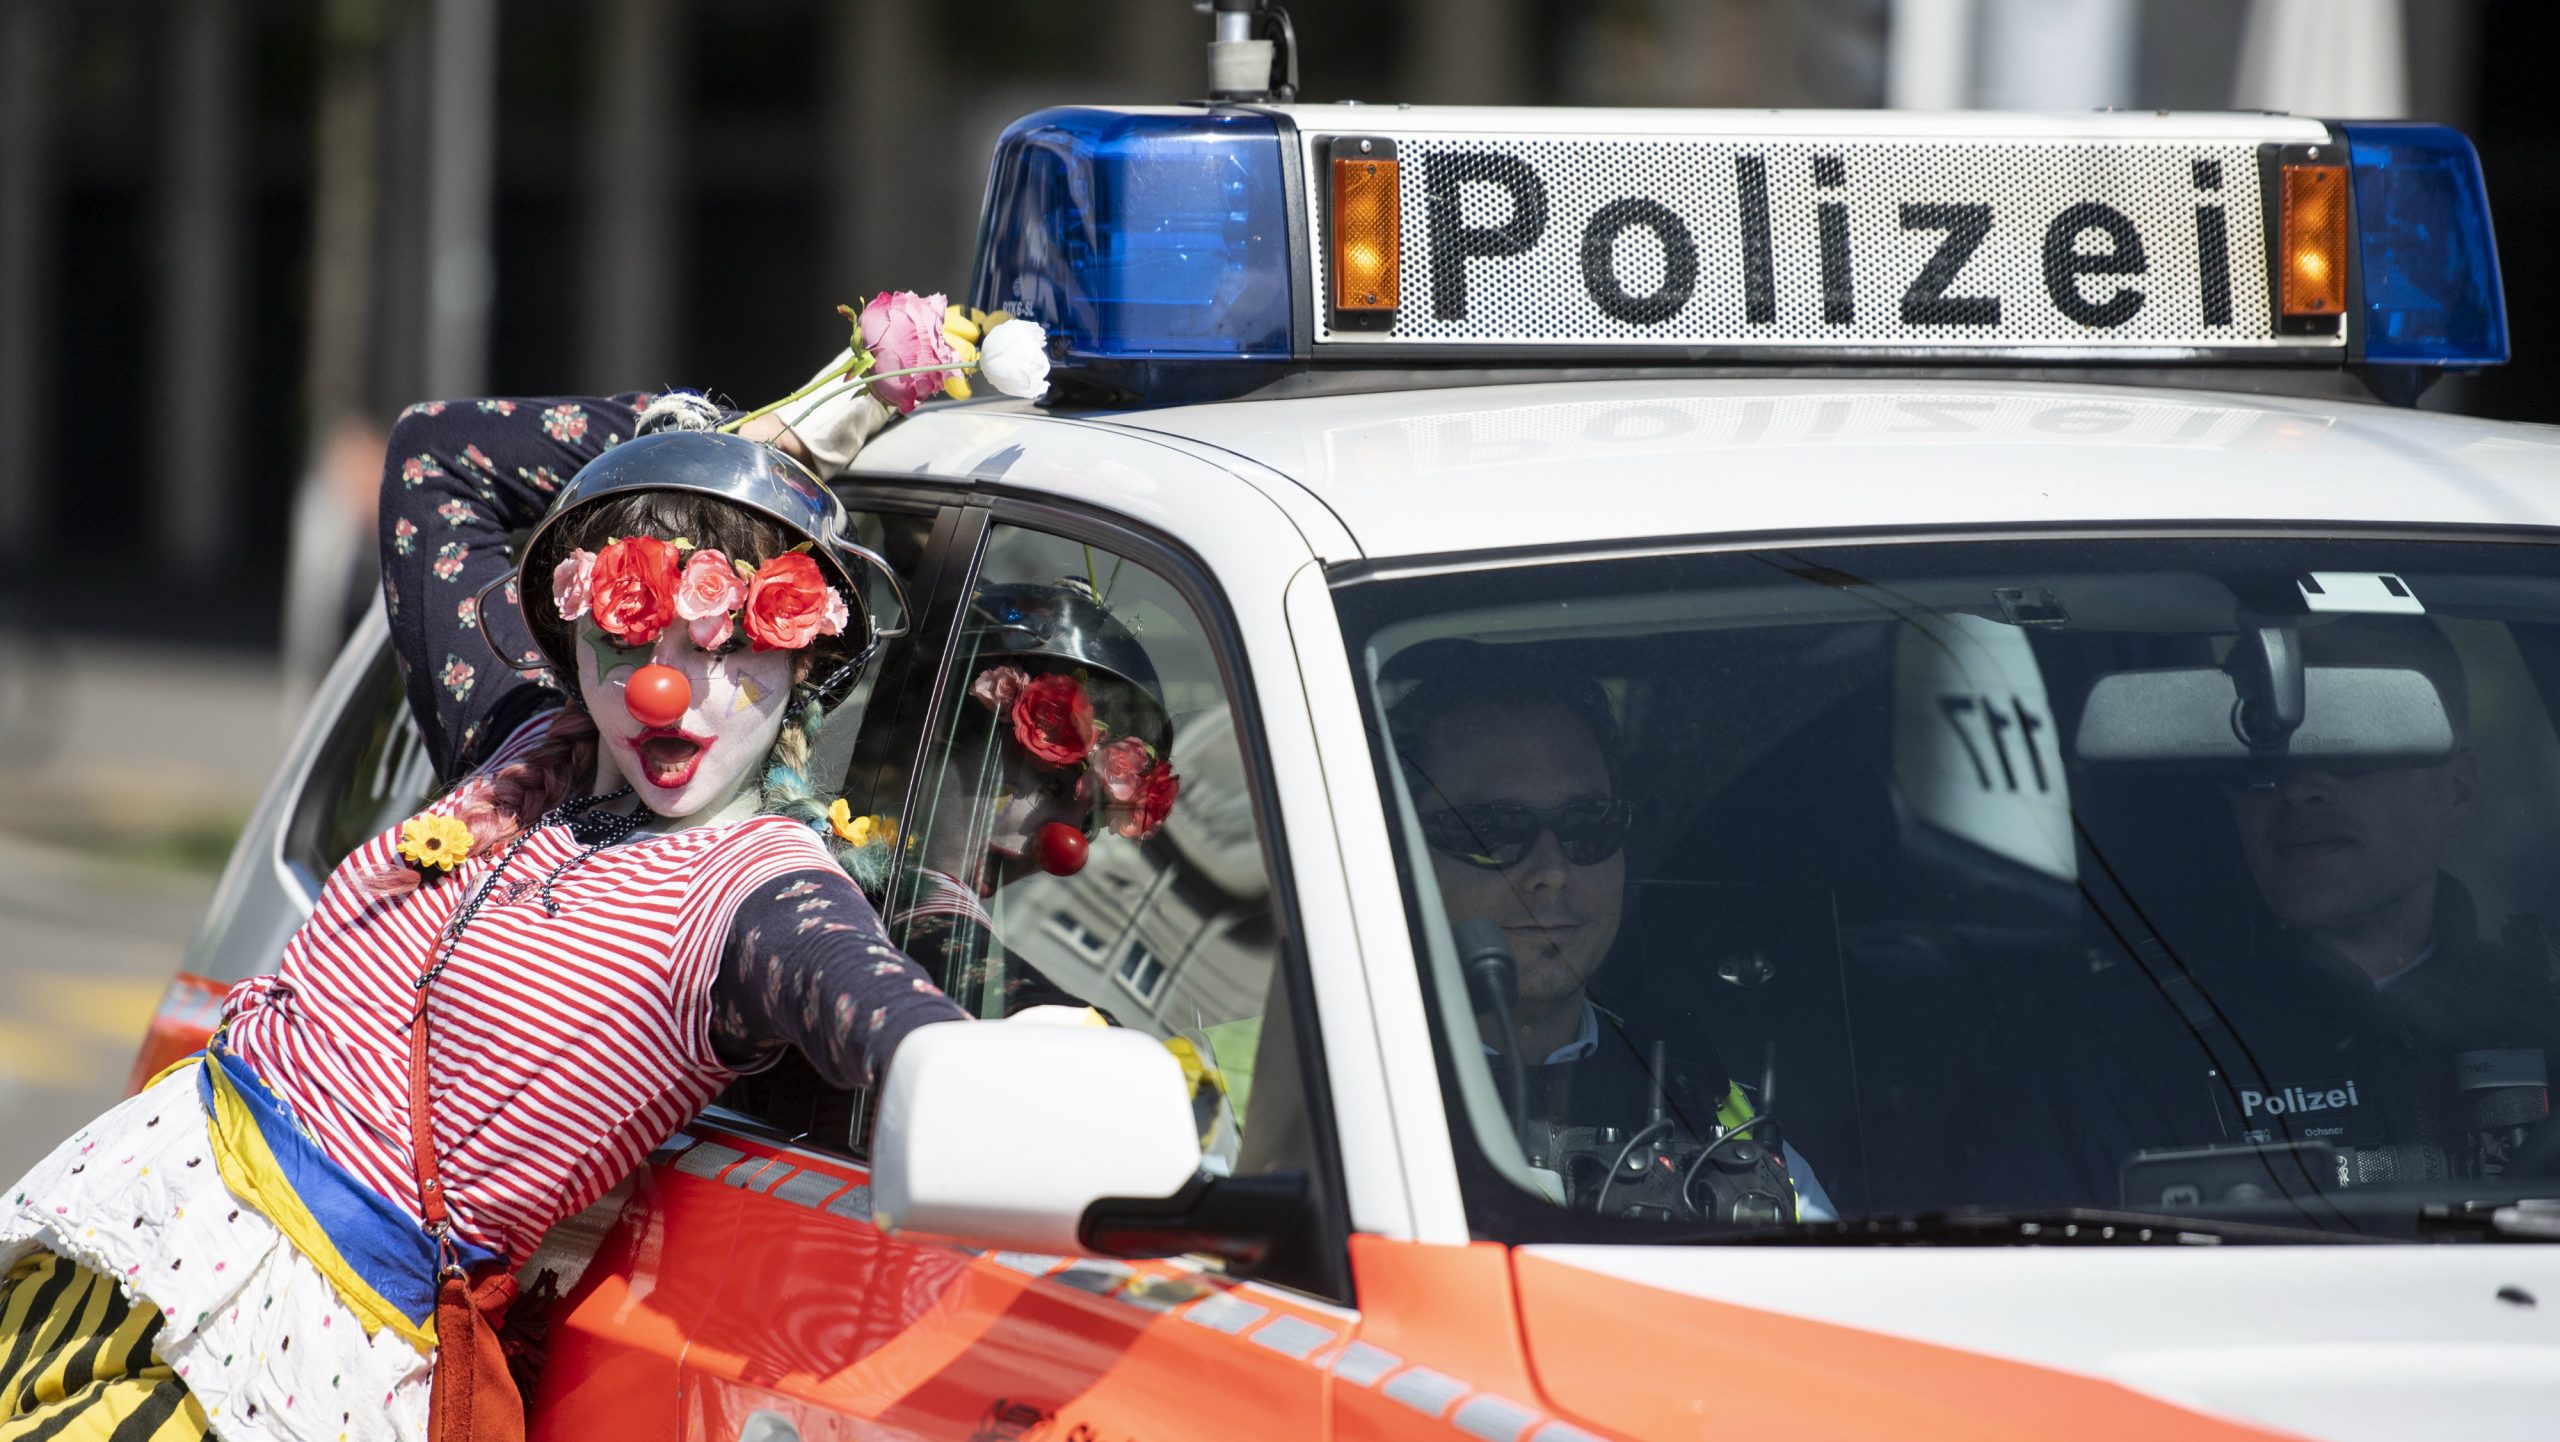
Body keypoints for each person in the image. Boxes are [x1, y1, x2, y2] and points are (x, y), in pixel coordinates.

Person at [0, 388, 972, 1440]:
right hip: (136, 1238)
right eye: (630, 629)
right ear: (575, 633)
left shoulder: (758, 895)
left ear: (801, 653)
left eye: (722, 640)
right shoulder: (523, 741)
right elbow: (435, 457)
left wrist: (977, 1075)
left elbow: (874, 1004)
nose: (665, 689)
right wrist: (724, 440)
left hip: (270, 1355)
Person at [2024, 618, 2560, 1205]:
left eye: (2352, 745)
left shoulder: (2543, 1020)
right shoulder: (2120, 1048)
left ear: (2458, 791)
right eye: (2260, 759)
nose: (2298, 788)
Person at [1386, 669, 1834, 1223]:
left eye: (1587, 826)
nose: (1552, 870)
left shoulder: (1705, 1099)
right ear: (1400, 857)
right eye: (1494, 829)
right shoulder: (1328, 1086)